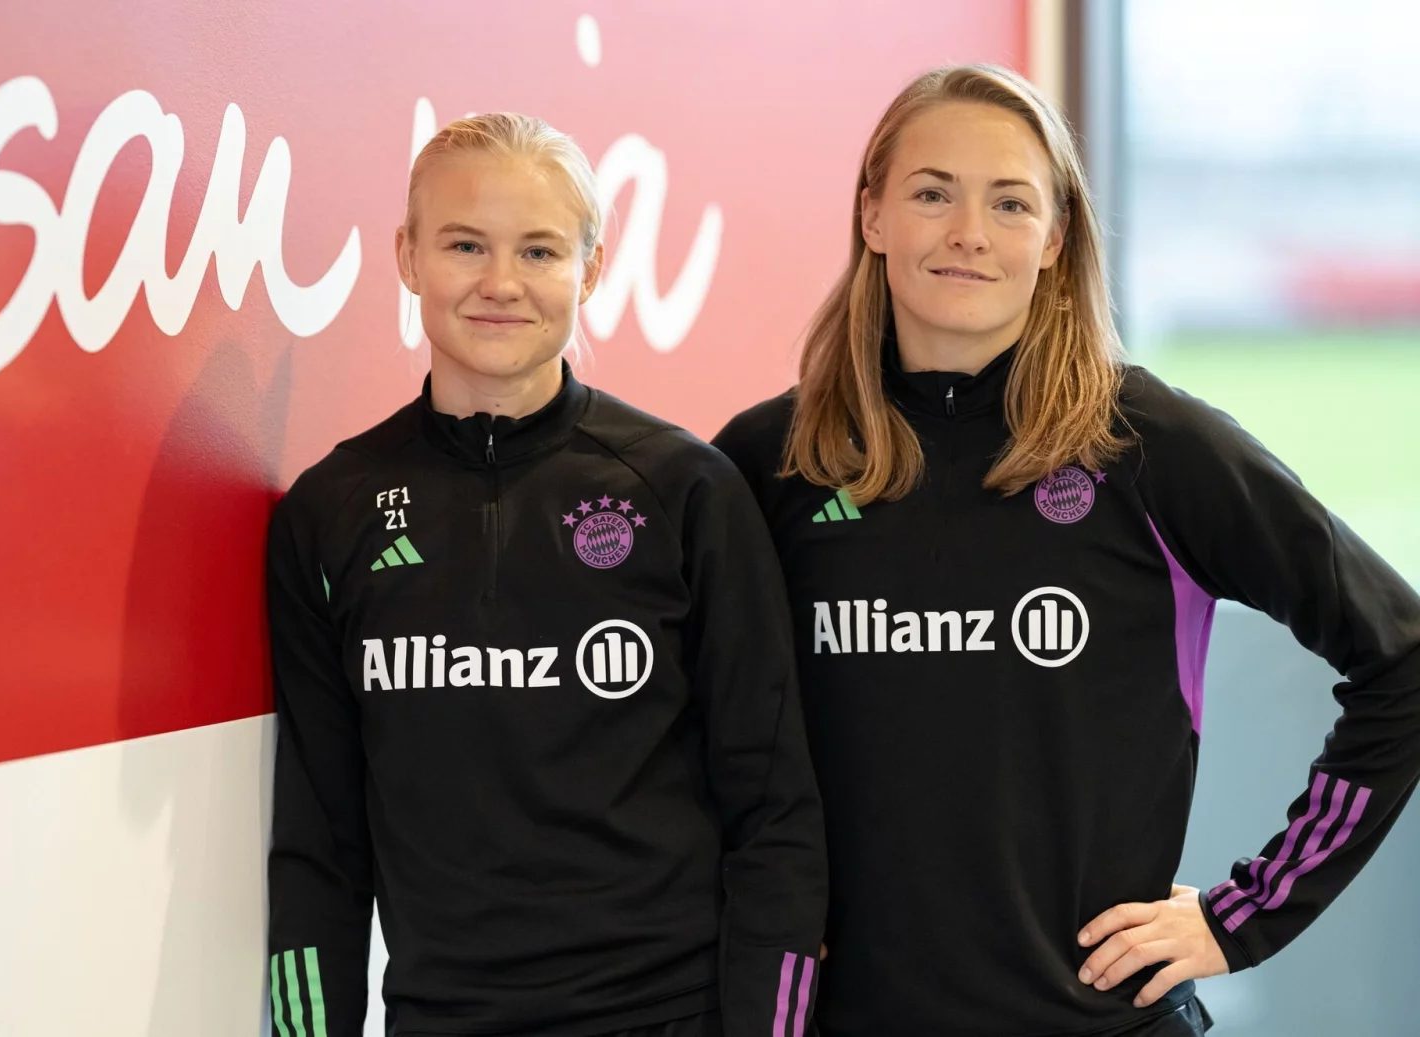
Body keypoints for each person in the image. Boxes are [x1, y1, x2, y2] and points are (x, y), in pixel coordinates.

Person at [712, 64, 1420, 1037]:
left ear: (1054, 237)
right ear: (872, 215)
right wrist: (746, 920)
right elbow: (672, 735)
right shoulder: (769, 462)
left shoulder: (1149, 445)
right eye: (932, 193)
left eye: (1010, 202)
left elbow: (1402, 655)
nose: (969, 231)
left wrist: (1247, 912)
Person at [264, 113, 826, 1037]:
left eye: (539, 251)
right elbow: (318, 843)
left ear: (590, 270)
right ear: (408, 257)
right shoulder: (330, 513)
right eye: (465, 245)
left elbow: (775, 814)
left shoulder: (686, 491)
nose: (501, 283)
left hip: (667, 1017)